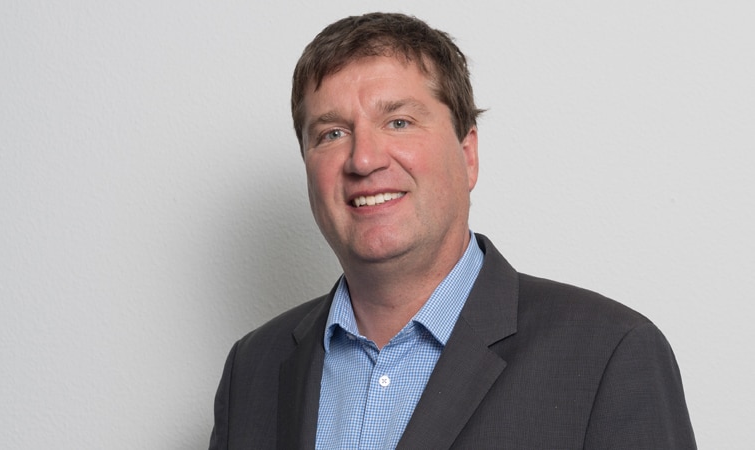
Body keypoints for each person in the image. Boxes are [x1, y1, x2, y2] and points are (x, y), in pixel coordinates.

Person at [210, 12, 695, 449]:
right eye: (331, 133)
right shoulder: (251, 369)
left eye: (399, 122)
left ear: (468, 156)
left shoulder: (609, 354)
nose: (363, 159)